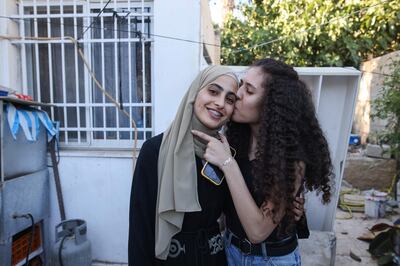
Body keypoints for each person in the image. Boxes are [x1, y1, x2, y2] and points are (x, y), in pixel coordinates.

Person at [192, 58, 334, 265]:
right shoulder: (234, 140)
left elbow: (257, 231)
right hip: (228, 250)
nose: (237, 95)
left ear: (271, 105)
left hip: (270, 259)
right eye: (241, 85)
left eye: (249, 91)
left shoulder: (292, 160)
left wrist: (227, 164)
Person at [128, 65, 239, 266]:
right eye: (213, 91)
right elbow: (140, 229)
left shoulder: (227, 156)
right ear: (195, 92)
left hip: (214, 260)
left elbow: (236, 215)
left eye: (230, 99)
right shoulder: (155, 151)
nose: (220, 103)